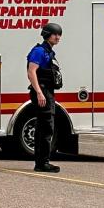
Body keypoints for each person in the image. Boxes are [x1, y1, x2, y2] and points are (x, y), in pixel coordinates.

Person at [26, 22, 63, 173]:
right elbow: (31, 72)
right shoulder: (39, 51)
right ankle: (43, 163)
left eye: (59, 34)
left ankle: (41, 162)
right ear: (48, 35)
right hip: (42, 91)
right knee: (46, 127)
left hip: (47, 91)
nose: (58, 37)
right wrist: (39, 92)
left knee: (44, 127)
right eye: (55, 34)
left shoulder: (48, 51)